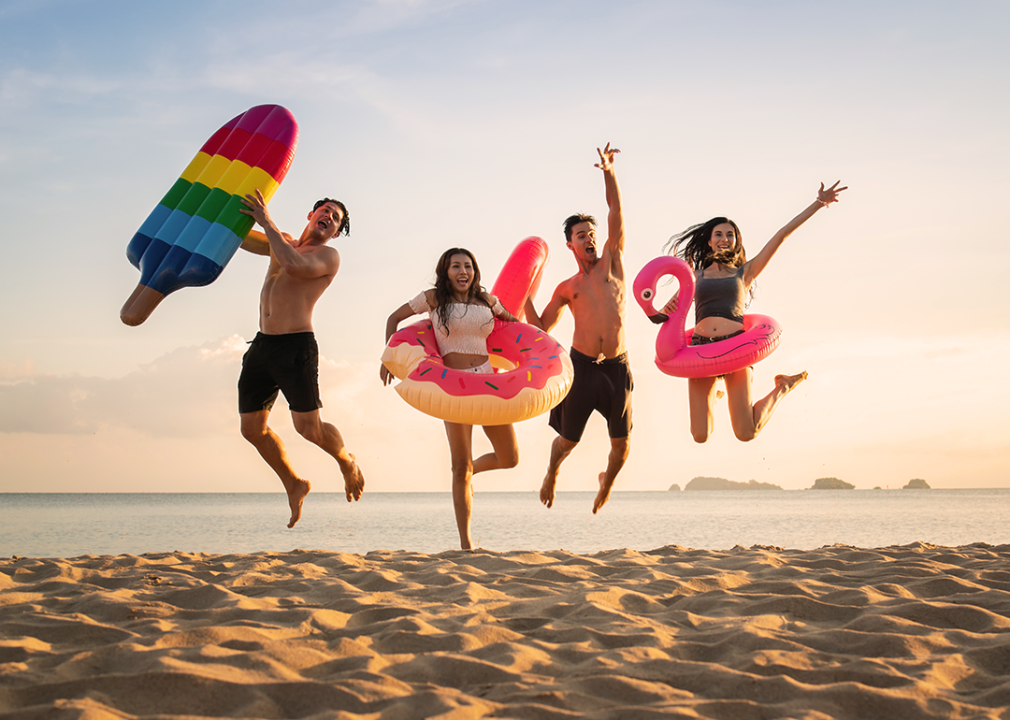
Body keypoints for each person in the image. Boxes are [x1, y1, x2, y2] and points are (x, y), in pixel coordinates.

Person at [660, 181, 847, 443]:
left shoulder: (745, 272)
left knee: (746, 433)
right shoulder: (694, 276)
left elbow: (782, 234)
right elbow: (671, 313)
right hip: (701, 348)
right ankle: (715, 394)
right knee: (700, 435)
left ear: (736, 241)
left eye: (730, 235)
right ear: (710, 241)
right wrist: (665, 309)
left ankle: (782, 387)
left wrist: (818, 203)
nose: (724, 239)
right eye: (719, 234)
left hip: (736, 349)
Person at [237, 190, 365, 528]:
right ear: (311, 214)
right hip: (262, 346)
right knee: (251, 429)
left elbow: (293, 265)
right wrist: (229, 215)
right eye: (325, 210)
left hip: (295, 347)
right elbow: (239, 238)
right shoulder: (283, 242)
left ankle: (345, 460)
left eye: (335, 218)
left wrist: (266, 220)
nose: (329, 217)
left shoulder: (328, 256)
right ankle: (294, 484)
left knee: (308, 429)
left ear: (336, 232)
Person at [382, 248, 522, 551]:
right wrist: (388, 357)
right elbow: (394, 318)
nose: (463, 271)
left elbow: (515, 328)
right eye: (456, 266)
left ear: (475, 271)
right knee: (459, 468)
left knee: (509, 458)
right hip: (454, 388)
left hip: (487, 381)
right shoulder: (434, 298)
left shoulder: (487, 301)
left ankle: (471, 469)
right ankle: (466, 544)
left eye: (468, 266)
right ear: (445, 271)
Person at [523, 143, 631, 515]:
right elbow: (540, 329)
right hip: (581, 368)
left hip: (617, 367)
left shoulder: (612, 263)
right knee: (567, 441)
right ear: (569, 243)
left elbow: (615, 210)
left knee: (622, 447)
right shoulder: (567, 288)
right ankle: (551, 472)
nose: (589, 238)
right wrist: (523, 296)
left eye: (591, 233)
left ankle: (607, 481)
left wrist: (608, 172)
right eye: (581, 235)